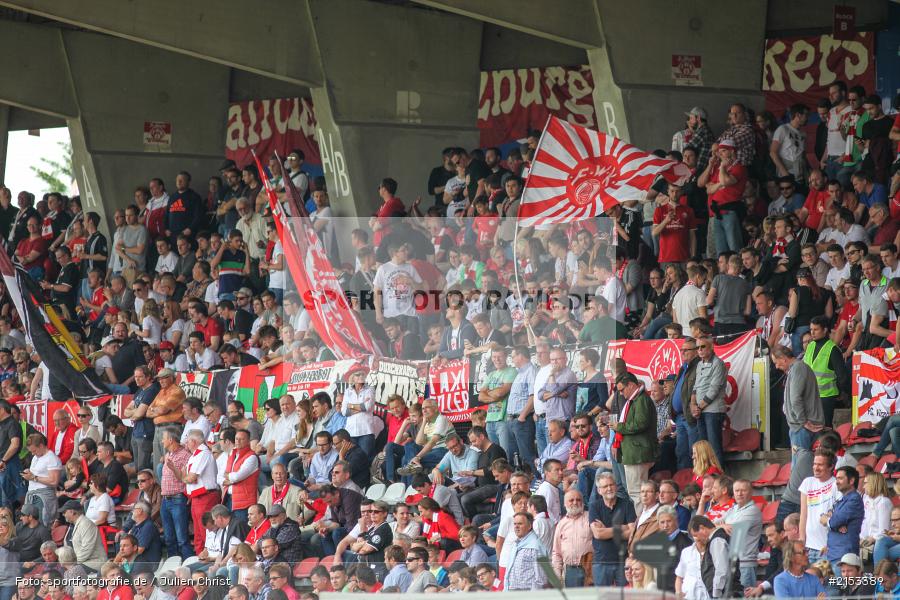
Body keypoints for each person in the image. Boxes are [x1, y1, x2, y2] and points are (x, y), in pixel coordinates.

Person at [770, 344, 824, 464]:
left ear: (783, 358)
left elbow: (795, 399)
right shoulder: (796, 369)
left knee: (799, 465)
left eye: (776, 362)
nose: (776, 367)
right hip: (800, 426)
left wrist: (803, 421)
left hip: (802, 427)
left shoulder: (798, 368)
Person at [611, 372, 657, 510]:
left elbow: (640, 424)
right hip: (635, 452)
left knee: (636, 492)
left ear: (630, 385)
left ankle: (642, 520)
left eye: (622, 390)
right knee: (639, 491)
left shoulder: (641, 400)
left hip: (637, 453)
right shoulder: (636, 399)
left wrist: (619, 427)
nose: (620, 394)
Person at [589, 471, 635, 586]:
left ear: (616, 486)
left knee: (625, 594)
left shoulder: (627, 504)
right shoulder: (594, 506)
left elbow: (632, 532)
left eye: (611, 484)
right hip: (601, 562)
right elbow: (598, 534)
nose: (609, 488)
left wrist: (606, 530)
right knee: (603, 595)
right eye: (605, 486)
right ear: (599, 490)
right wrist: (621, 527)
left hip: (623, 561)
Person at [674, 515, 728, 600]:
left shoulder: (715, 544)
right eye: (694, 536)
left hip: (709, 596)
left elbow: (721, 570)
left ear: (702, 528)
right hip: (689, 596)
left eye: (697, 535)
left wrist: (716, 594)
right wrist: (678, 593)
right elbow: (679, 576)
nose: (698, 538)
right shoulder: (686, 552)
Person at [692, 337, 727, 466]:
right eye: (697, 347)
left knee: (714, 447)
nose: (700, 350)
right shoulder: (699, 364)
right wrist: (693, 405)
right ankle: (706, 474)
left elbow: (714, 390)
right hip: (701, 411)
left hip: (713, 411)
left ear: (711, 347)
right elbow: (695, 387)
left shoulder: (718, 363)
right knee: (703, 448)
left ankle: (719, 475)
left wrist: (698, 407)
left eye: (703, 346)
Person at [800, 449, 839, 562]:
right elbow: (803, 514)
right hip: (809, 547)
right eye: (815, 464)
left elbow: (839, 516)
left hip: (827, 548)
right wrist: (802, 539)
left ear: (831, 466)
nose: (816, 468)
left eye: (820, 465)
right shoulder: (807, 482)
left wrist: (832, 544)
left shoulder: (837, 485)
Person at [823, 466, 863, 563]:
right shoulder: (842, 499)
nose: (837, 482)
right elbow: (829, 517)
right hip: (834, 553)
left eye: (840, 478)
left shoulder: (854, 499)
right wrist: (832, 521)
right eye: (836, 478)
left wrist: (831, 522)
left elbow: (834, 522)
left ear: (851, 480)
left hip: (845, 555)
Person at [21, 433, 62, 527]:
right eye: (31, 451)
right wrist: (29, 472)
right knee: (29, 524)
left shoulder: (52, 458)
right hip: (31, 493)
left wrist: (34, 477)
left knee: (40, 524)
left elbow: (54, 481)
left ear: (41, 445)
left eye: (34, 450)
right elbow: (37, 473)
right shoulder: (36, 457)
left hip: (43, 495)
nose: (32, 453)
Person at [503, 512, 548, 591]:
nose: (516, 526)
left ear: (529, 526)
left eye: (520, 524)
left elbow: (541, 580)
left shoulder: (536, 547)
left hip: (526, 594)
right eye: (515, 524)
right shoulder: (516, 544)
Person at [61, 499, 107, 572]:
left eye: (64, 512)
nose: (63, 515)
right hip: (85, 562)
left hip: (94, 563)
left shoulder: (86, 524)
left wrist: (74, 564)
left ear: (72, 512)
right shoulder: (79, 524)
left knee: (70, 571)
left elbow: (86, 549)